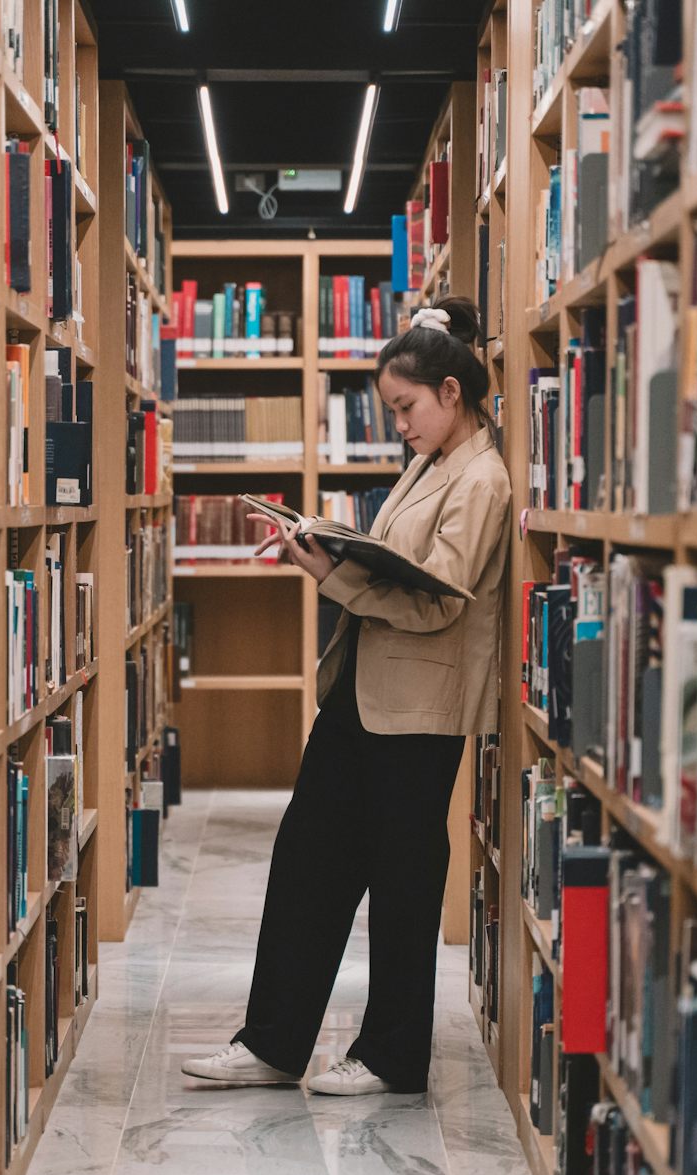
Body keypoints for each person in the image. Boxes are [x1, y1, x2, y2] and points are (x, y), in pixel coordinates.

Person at [181, 297, 512, 1096]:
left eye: (406, 407)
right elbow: (397, 556)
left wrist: (336, 578)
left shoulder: (484, 481)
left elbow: (442, 603)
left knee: (402, 881)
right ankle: (272, 1042)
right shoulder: (430, 463)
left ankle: (392, 1055)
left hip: (419, 710)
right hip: (361, 694)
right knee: (307, 860)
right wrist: (330, 540)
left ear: (451, 393)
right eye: (391, 410)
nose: (398, 424)